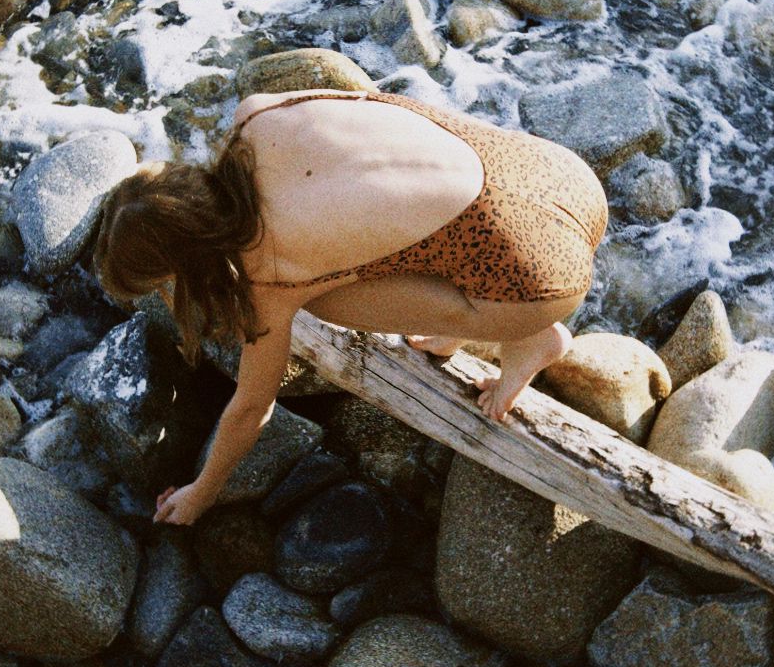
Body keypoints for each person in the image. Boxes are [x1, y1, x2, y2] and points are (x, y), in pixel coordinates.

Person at [91, 87, 608, 525]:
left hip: (544, 280)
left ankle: (529, 337)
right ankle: (469, 316)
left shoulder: (268, 276)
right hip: (559, 174)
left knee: (325, 297)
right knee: (376, 233)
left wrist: (202, 491)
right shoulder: (255, 115)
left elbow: (252, 408)